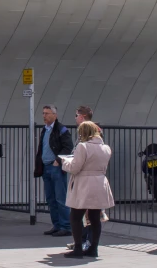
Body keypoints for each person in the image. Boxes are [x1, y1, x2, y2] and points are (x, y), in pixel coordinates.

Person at [60, 121, 115, 258]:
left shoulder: (82, 147)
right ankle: (93, 248)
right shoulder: (106, 148)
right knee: (95, 217)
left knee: (75, 216)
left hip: (84, 183)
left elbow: (75, 167)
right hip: (100, 182)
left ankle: (78, 248)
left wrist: (65, 162)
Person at [34, 105, 74, 237]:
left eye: (47, 113)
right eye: (43, 113)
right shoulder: (45, 130)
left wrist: (58, 160)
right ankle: (56, 224)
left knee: (60, 198)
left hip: (55, 166)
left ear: (55, 115)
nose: (44, 116)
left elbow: (68, 147)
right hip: (46, 166)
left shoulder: (61, 129)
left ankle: (66, 226)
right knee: (51, 198)